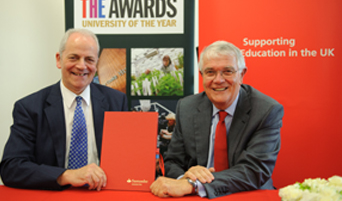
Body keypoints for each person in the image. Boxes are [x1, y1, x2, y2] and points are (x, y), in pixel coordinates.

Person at [150, 40, 284, 198]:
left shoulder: (266, 110)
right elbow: (173, 161)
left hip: (248, 194)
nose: (218, 80)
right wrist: (184, 178)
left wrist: (194, 184)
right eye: (210, 72)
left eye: (227, 71)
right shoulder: (186, 108)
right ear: (202, 76)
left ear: (241, 75)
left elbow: (254, 170)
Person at [0, 28, 128, 190]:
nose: (82, 66)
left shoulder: (116, 102)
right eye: (74, 58)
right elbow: (11, 168)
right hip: (53, 195)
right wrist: (66, 175)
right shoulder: (30, 108)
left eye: (89, 59)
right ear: (59, 59)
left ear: (96, 64)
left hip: (100, 193)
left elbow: (125, 159)